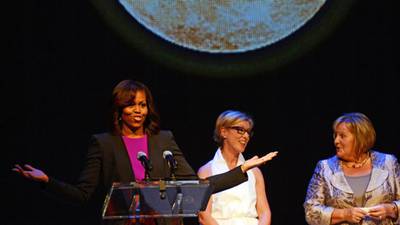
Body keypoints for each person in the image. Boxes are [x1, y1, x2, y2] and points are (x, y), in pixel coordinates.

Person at [13, 80, 278, 225]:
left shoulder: (164, 140)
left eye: (142, 104)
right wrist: (47, 182)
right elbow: (83, 194)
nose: (138, 110)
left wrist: (240, 170)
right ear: (119, 109)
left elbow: (198, 186)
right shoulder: (103, 144)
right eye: (131, 105)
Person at [304, 112, 400, 225]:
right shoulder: (325, 168)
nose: (336, 141)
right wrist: (344, 214)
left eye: (342, 136)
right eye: (335, 136)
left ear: (360, 138)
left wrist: (391, 209)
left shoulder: (388, 163)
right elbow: (311, 211)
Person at [197, 110, 277, 225]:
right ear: (224, 132)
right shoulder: (206, 171)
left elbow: (264, 213)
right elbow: (204, 216)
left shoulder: (254, 172)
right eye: (240, 130)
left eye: (248, 132)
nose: (246, 136)